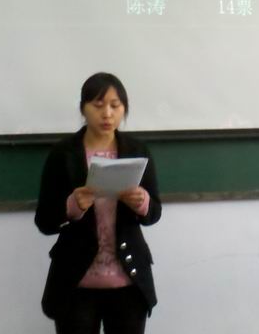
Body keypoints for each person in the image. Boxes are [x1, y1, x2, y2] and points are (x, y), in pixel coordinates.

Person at [35, 72, 161, 334]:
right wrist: (72, 207)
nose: (107, 114)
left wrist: (142, 202)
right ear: (83, 108)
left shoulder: (137, 151)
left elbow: (154, 213)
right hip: (76, 283)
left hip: (129, 282)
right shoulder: (63, 154)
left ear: (124, 108)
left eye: (115, 106)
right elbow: (44, 221)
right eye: (98, 105)